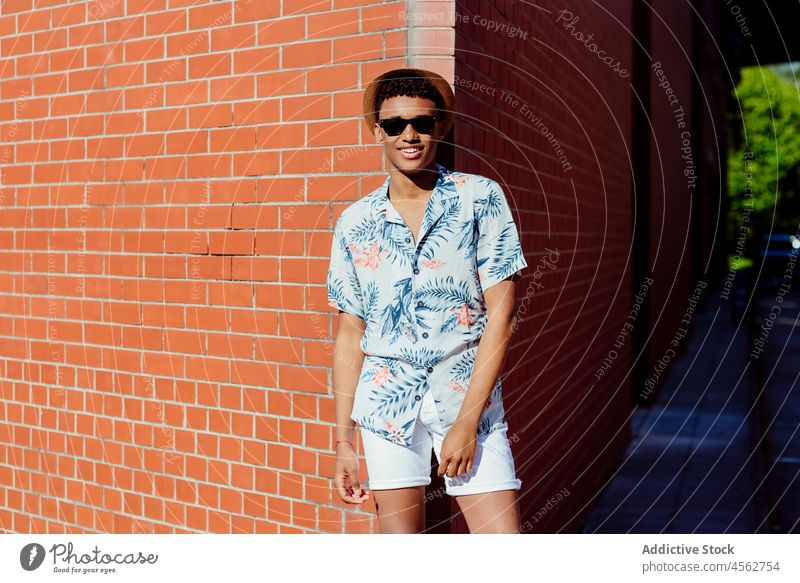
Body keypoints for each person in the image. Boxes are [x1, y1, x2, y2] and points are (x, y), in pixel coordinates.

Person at [327, 68, 528, 534]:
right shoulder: (353, 222)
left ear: (441, 126)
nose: (409, 135)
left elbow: (504, 314)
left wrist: (468, 421)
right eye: (395, 125)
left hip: (466, 396)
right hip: (384, 403)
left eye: (421, 122)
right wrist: (343, 442)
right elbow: (349, 332)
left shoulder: (480, 198)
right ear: (378, 132)